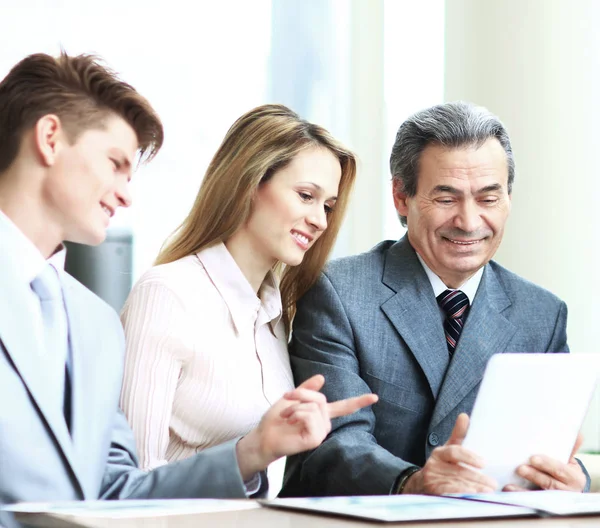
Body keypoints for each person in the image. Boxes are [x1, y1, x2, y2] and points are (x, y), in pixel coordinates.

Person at [0, 51, 376, 528]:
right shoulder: (165, 295)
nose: (126, 194)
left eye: (328, 204)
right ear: (50, 138)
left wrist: (255, 450)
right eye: (115, 163)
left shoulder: (92, 323)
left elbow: (118, 493)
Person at [280, 101, 590, 497]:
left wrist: (567, 477)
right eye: (446, 199)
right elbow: (332, 441)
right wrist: (412, 482)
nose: (469, 221)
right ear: (401, 197)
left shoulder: (542, 314)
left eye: (488, 198)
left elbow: (547, 442)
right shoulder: (337, 290)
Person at [118, 104, 357, 495]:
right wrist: (249, 452)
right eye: (306, 196)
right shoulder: (166, 295)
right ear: (249, 183)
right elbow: (129, 485)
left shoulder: (275, 314)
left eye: (328, 206)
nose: (321, 221)